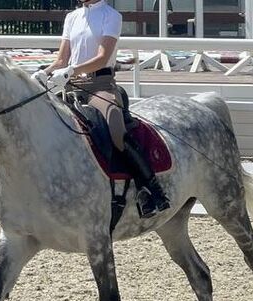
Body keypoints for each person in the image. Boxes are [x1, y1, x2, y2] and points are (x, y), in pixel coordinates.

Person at [32, 0, 169, 218]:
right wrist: (44, 72)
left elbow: (102, 58)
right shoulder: (72, 17)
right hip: (70, 86)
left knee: (115, 126)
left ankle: (149, 188)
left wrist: (71, 70)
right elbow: (61, 60)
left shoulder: (111, 16)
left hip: (100, 86)